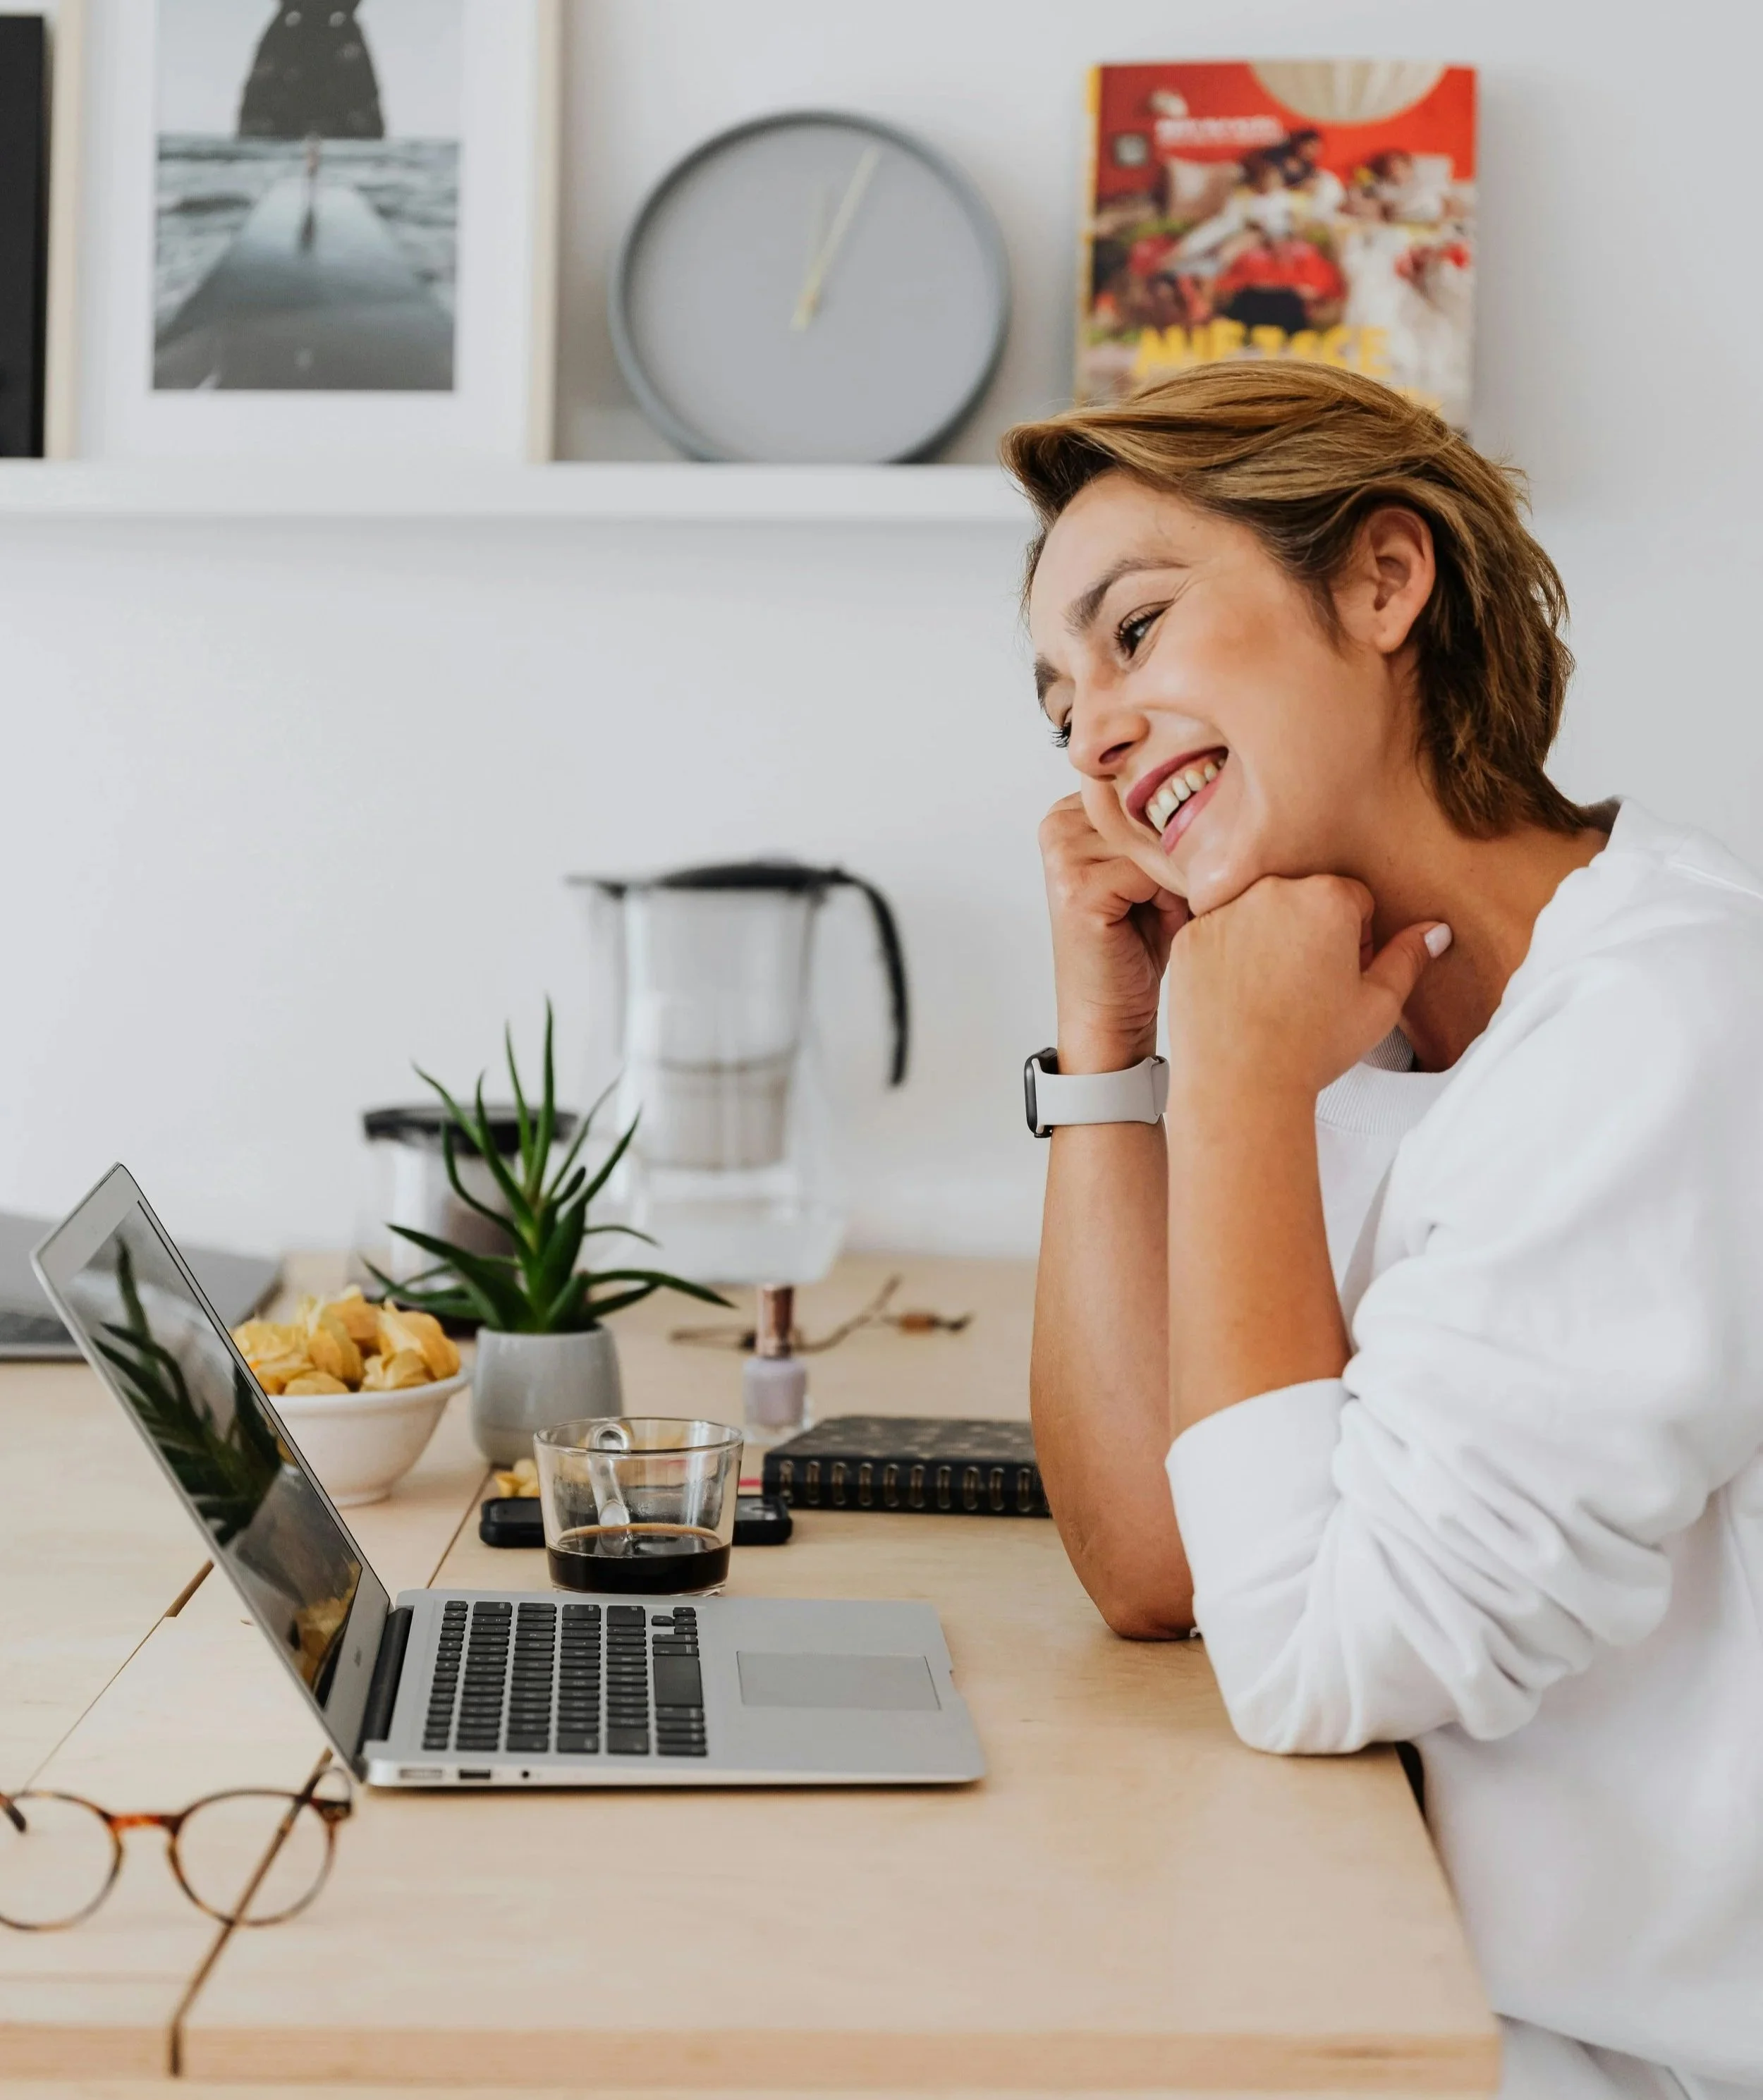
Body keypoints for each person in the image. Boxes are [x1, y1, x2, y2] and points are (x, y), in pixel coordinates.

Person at [1003, 362, 1763, 2100]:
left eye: (1132, 634)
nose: (1092, 736)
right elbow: (1160, 1566)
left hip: (1611, 2057)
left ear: (1377, 582)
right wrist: (1114, 1046)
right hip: (1408, 1975)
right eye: (1055, 708)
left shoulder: (1662, 1016)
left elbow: (1317, 1658)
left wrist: (1239, 1094)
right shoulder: (1360, 1031)